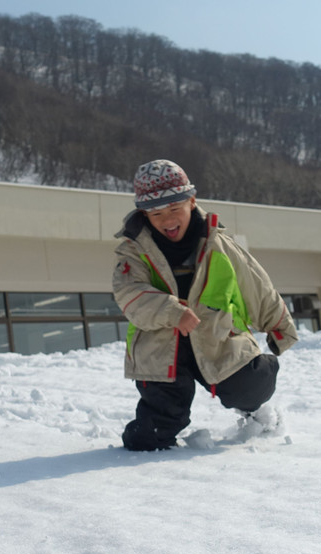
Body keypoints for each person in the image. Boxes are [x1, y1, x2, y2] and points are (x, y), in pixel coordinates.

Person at [113, 159, 299, 451]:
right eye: (156, 213)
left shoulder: (217, 243)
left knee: (250, 387)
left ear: (191, 201)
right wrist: (172, 312)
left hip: (218, 335)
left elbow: (255, 284)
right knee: (152, 433)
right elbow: (129, 293)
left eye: (175, 209)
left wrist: (279, 326)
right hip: (160, 347)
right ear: (144, 214)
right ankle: (151, 435)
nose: (167, 220)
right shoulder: (134, 251)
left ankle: (257, 404)